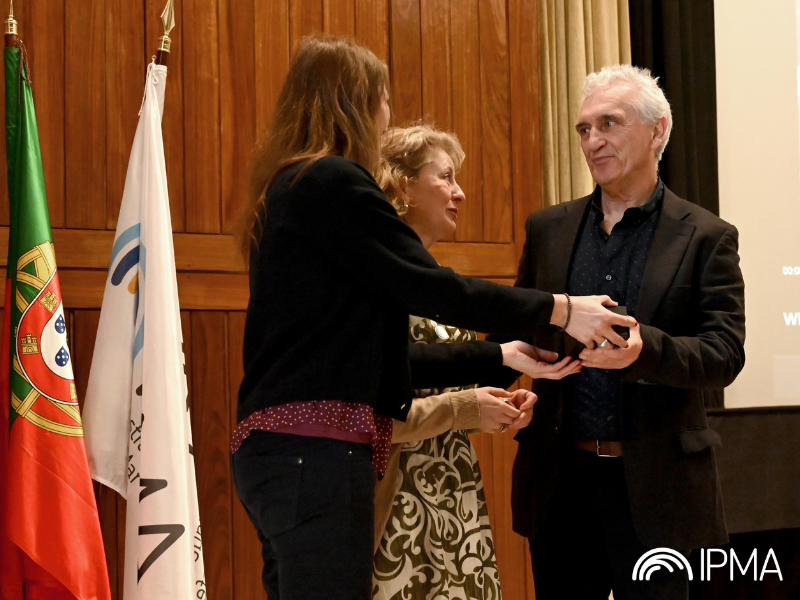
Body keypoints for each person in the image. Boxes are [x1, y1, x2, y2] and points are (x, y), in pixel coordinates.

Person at [230, 35, 634, 600]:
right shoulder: (332, 181)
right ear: (356, 102)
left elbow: (388, 360)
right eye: (384, 100)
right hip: (316, 453)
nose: (386, 116)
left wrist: (501, 354)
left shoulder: (292, 187)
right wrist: (561, 309)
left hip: (284, 452)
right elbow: (435, 289)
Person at [504, 64, 746, 600]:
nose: (593, 141)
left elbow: (725, 353)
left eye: (609, 124)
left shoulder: (706, 236)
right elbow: (522, 324)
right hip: (561, 484)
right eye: (584, 129)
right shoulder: (548, 228)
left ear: (658, 131)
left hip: (660, 491)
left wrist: (645, 351)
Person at [371, 125, 582, 600]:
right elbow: (376, 404)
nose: (460, 192)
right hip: (397, 497)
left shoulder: (436, 279)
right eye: (446, 177)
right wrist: (467, 407)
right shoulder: (378, 281)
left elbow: (443, 382)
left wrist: (495, 405)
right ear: (404, 185)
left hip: (450, 491)